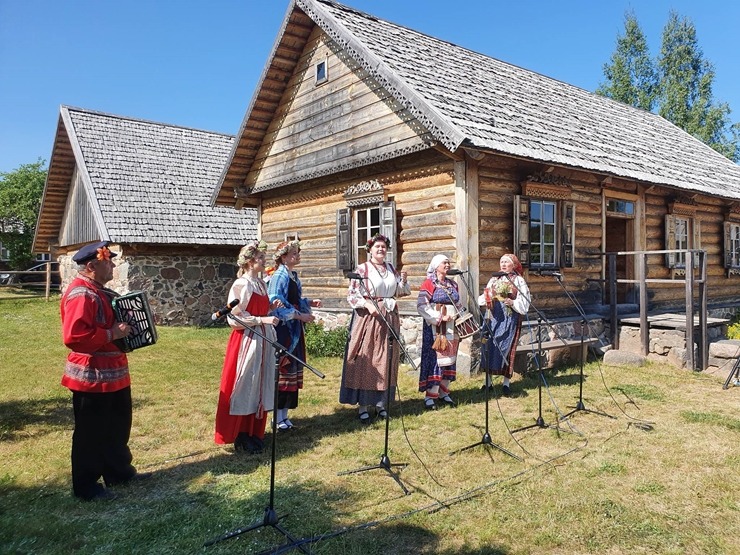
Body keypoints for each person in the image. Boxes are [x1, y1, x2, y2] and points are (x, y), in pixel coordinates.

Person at [60, 241, 150, 501]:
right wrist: (113, 333)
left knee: (117, 425)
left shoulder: (100, 291)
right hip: (92, 375)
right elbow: (75, 336)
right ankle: (86, 486)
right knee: (91, 432)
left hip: (114, 371)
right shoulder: (81, 294)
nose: (113, 265)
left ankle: (119, 471)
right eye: (107, 261)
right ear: (91, 266)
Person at [214, 241, 280, 454]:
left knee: (260, 383)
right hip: (248, 340)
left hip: (263, 339)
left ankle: (255, 432)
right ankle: (241, 435)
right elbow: (234, 316)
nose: (264, 261)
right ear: (250, 262)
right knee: (246, 384)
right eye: (260, 258)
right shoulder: (242, 284)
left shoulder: (260, 283)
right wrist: (263, 320)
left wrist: (269, 308)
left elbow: (255, 308)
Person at [340, 233, 410, 424]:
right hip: (369, 318)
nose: (381, 250)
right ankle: (363, 405)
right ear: (370, 250)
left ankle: (381, 404)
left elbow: (400, 292)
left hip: (389, 317)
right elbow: (352, 294)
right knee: (368, 357)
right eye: (377, 247)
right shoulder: (363, 269)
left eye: (383, 247)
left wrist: (402, 282)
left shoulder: (390, 268)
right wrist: (367, 304)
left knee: (387, 357)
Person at [267, 239, 322, 431]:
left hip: (294, 329)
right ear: (283, 257)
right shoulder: (278, 277)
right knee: (284, 369)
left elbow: (295, 300)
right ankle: (276, 417)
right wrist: (300, 316)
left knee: (292, 371)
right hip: (284, 330)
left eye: (298, 253)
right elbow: (276, 304)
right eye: (293, 254)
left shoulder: (292, 276)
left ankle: (284, 416)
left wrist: (308, 302)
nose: (297, 256)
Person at [477, 253, 531, 396]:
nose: (503, 264)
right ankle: (487, 383)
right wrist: (489, 297)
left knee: (507, 349)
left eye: (506, 262)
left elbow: (525, 301)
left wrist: (512, 302)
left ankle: (506, 384)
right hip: (493, 318)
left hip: (510, 319)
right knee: (489, 347)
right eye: (501, 262)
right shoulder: (494, 279)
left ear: (513, 265)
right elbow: (484, 297)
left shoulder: (518, 280)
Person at [417, 254, 461, 410]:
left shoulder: (452, 284)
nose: (448, 265)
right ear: (436, 266)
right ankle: (430, 395)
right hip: (435, 327)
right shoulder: (429, 284)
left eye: (449, 262)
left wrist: (460, 316)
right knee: (436, 359)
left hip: (451, 326)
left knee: (449, 358)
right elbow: (422, 305)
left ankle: (444, 391)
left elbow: (458, 303)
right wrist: (440, 317)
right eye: (445, 262)